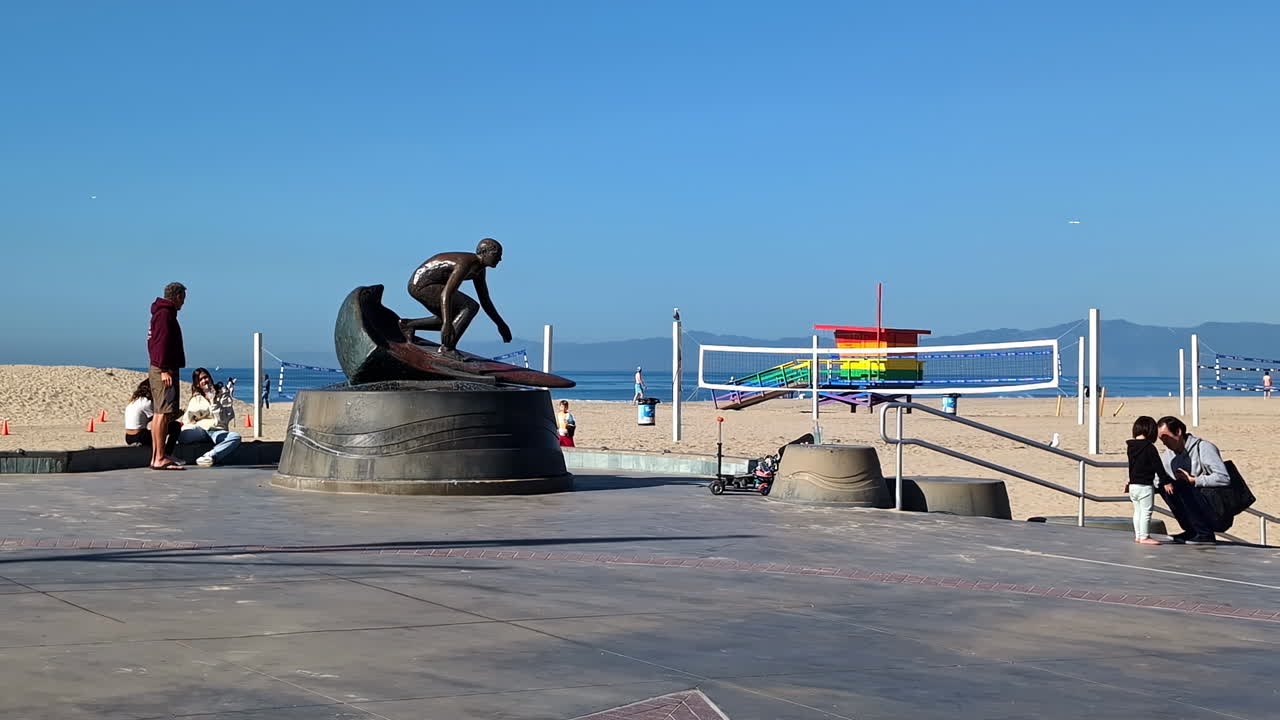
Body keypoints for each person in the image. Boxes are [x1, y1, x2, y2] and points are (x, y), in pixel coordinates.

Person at [400, 238, 512, 352]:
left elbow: (485, 300)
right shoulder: (466, 263)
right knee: (470, 306)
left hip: (427, 285)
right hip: (421, 285)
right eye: (496, 254)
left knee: (456, 319)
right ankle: (447, 348)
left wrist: (500, 324)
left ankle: (409, 325)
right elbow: (447, 294)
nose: (500, 259)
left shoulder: (479, 270)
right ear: (483, 253)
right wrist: (447, 324)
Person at [1156, 416, 1225, 545]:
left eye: (1166, 437)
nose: (1164, 442)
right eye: (1161, 439)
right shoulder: (1168, 456)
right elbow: (1158, 477)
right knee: (1165, 486)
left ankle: (1205, 534)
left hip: (1214, 506)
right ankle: (1191, 530)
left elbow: (1223, 478)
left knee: (1182, 486)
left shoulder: (1204, 447)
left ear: (1178, 432)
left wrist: (1194, 480)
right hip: (1192, 503)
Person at [147, 282, 187, 471]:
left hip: (161, 366)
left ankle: (157, 456)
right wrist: (164, 369)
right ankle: (160, 456)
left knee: (159, 413)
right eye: (183, 298)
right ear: (178, 296)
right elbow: (160, 343)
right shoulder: (164, 314)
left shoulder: (161, 313)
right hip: (164, 368)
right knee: (163, 413)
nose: (184, 303)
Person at [178, 367, 242, 466]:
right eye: (200, 380)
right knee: (182, 434)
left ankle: (210, 456)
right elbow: (188, 419)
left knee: (235, 437)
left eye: (205, 377)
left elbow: (225, 419)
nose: (204, 381)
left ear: (210, 377)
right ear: (198, 384)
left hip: (218, 430)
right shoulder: (196, 398)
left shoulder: (222, 394)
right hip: (201, 430)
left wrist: (214, 402)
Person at [1125, 416, 1174, 545]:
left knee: (1137, 511)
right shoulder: (1149, 448)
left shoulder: (1131, 447)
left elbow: (1132, 466)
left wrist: (1129, 481)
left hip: (1133, 485)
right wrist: (1166, 482)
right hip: (1145, 485)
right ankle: (1145, 536)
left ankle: (1138, 535)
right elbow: (1158, 466)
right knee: (1146, 512)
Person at [124, 379, 180, 456]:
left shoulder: (135, 401)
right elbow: (159, 421)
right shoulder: (147, 403)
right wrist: (176, 416)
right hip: (139, 436)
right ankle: (167, 453)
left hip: (128, 436)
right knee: (175, 426)